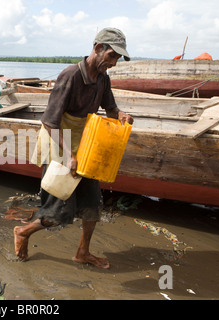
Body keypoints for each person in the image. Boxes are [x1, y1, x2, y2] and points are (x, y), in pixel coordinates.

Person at [14, 27, 134, 269]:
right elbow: (49, 122)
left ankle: (82, 252)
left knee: (92, 203)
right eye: (112, 56)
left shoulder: (102, 78)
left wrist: (121, 115)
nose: (113, 63)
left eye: (117, 58)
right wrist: (69, 156)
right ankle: (23, 231)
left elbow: (110, 108)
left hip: (85, 144)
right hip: (60, 144)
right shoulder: (70, 75)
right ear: (98, 48)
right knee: (59, 210)